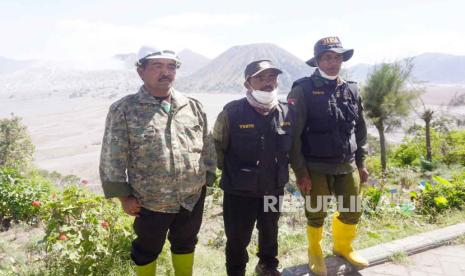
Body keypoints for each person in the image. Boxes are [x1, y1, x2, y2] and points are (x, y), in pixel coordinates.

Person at [99, 46, 216, 276]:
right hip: (149, 201)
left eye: (171, 66)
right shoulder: (125, 109)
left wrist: (206, 179)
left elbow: (207, 145)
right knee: (146, 249)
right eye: (157, 66)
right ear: (140, 71)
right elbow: (112, 155)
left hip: (191, 198)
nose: (166, 72)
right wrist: (124, 196)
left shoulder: (192, 106)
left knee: (186, 243)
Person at [287, 37, 369, 276]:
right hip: (315, 166)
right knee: (317, 212)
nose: (332, 62)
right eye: (326, 57)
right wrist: (300, 172)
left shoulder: (352, 89)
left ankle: (343, 248)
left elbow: (360, 129)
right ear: (317, 61)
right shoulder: (302, 90)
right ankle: (315, 251)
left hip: (347, 164)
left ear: (342, 59)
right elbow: (294, 136)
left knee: (352, 209)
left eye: (336, 57)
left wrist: (362, 163)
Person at [213, 60, 294, 276]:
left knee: (270, 230)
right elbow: (217, 147)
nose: (268, 82)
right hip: (240, 191)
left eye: (272, 77)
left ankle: (267, 266)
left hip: (273, 189)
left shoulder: (286, 112)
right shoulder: (232, 112)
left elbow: (291, 150)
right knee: (238, 237)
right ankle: (236, 272)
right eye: (260, 78)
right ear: (248, 84)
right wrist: (235, 175)